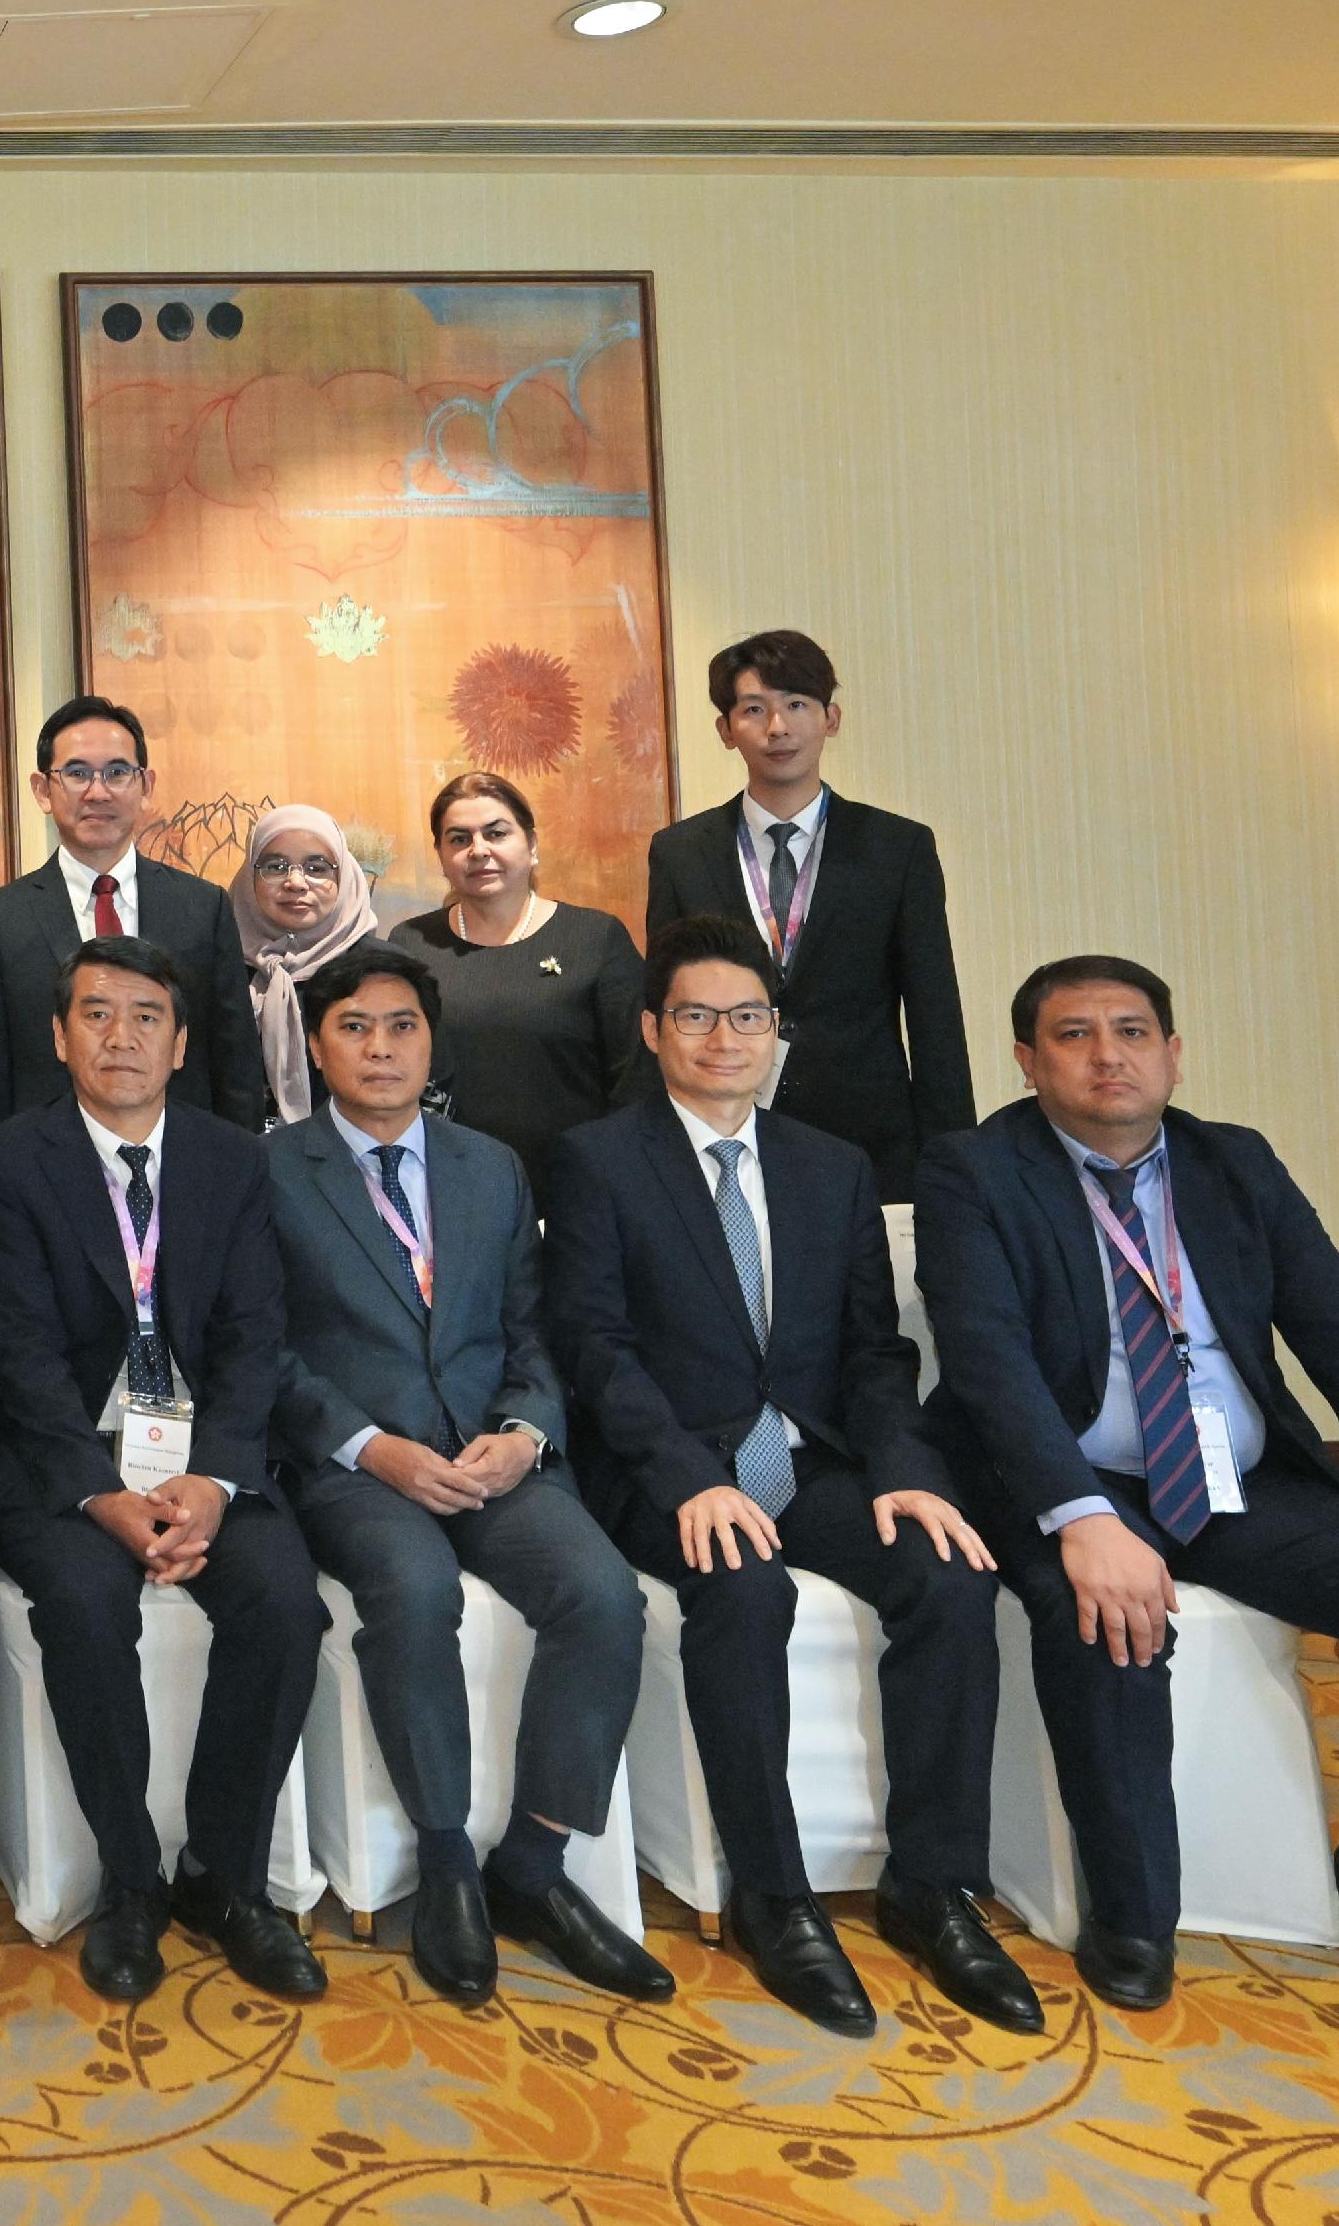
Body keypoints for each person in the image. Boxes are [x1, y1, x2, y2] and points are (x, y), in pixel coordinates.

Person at [916, 957, 1339, 2030]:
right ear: (1025, 1061)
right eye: (1072, 1034)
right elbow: (987, 1361)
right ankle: (1131, 1917)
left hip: (1234, 1479)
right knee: (1105, 1620)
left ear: (1174, 1051)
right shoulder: (974, 1168)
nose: (1106, 1054)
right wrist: (1079, 1517)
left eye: (1131, 1029)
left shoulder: (1234, 1163)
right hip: (1072, 1473)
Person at [540, 918, 1037, 2039]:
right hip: (661, 1467)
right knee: (743, 1585)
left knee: (948, 1575)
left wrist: (909, 1471)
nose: (726, 1037)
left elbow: (873, 1350)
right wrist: (683, 1476)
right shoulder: (595, 1159)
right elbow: (595, 1347)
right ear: (653, 1029)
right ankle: (773, 1891)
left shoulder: (831, 1167)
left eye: (749, 1016)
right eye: (699, 1015)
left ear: (779, 1034)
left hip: (806, 1457)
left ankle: (932, 1881)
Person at [267, 943, 666, 2013]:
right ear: (315, 1042)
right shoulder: (267, 1168)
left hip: (492, 1455)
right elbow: (260, 1347)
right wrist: (368, 1446)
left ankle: (531, 1864)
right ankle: (446, 1858)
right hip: (361, 1468)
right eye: (354, 1026)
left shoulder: (491, 1167)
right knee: (415, 1590)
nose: (381, 1047)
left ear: (430, 1041)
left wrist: (527, 1431)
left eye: (401, 1026)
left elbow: (533, 1332)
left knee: (602, 1592)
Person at [0, 937, 328, 2005]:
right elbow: (21, 1352)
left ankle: (224, 1873)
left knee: (283, 1604)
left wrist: (213, 1479)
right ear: (57, 1033)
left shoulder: (231, 1157)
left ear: (179, 1043)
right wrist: (104, 1493)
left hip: (203, 1455)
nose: (118, 1035)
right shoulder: (5, 1160)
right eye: (95, 1013)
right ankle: (131, 1878)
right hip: (63, 1459)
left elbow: (256, 1334)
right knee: (81, 1605)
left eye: (143, 1016)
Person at [646, 631, 973, 1203]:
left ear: (831, 718)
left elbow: (934, 1012)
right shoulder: (680, 851)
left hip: (871, 1137)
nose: (778, 727)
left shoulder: (898, 848)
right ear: (726, 730)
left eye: (797, 705)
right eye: (754, 710)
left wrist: (954, 1162)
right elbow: (667, 1004)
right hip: (725, 1128)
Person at [0, 696, 264, 1141]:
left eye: (118, 772)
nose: (98, 792)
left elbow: (236, 1067)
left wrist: (236, 1169)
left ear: (146, 785)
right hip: (44, 1174)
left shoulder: (202, 907)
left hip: (184, 1168)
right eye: (77, 773)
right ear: (43, 790)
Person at [387, 772, 645, 1214]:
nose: (479, 850)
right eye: (459, 838)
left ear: (532, 844)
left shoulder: (593, 938)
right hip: (448, 1194)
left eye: (496, 832)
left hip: (577, 1190)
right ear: (442, 856)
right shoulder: (411, 944)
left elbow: (635, 1078)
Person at [227, 802, 382, 1131]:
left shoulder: (381, 971)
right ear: (248, 877)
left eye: (317, 868)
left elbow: (426, 1079)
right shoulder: (221, 968)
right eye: (275, 866)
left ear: (345, 876)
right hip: (239, 1163)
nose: (295, 882)